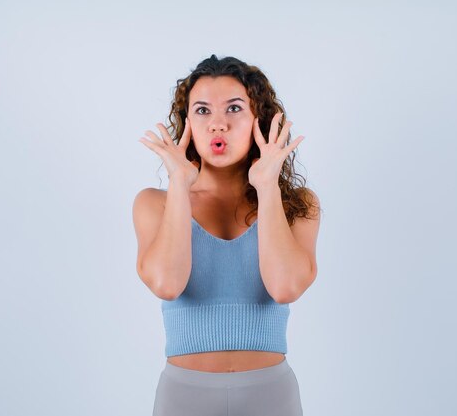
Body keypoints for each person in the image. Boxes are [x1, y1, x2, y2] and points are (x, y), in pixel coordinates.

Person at [133, 54, 321, 416]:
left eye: (234, 109)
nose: (217, 125)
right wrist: (178, 185)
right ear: (187, 123)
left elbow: (285, 287)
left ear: (258, 120)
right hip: (184, 396)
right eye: (202, 111)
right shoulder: (152, 203)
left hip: (271, 394)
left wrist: (267, 187)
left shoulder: (297, 205)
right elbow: (167, 284)